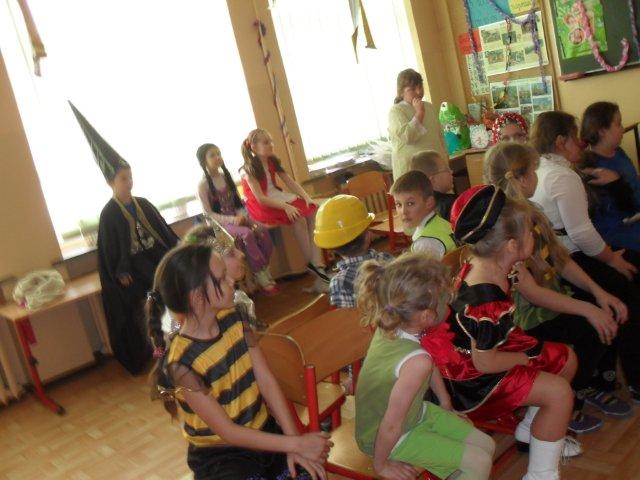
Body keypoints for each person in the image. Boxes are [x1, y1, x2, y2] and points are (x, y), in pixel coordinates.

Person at [424, 185, 582, 479]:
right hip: (473, 381)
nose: (534, 236)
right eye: (530, 233)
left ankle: (533, 430)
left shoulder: (490, 263)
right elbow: (485, 362)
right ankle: (541, 474)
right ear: (510, 245)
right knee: (560, 393)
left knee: (565, 359)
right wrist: (524, 359)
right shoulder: (486, 298)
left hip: (486, 350)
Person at [146, 243, 332, 479]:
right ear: (197, 297)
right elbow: (228, 432)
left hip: (263, 431)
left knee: (309, 473)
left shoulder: (236, 318)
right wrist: (296, 445)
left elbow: (266, 381)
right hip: (222, 456)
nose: (232, 280)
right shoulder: (182, 364)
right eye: (222, 278)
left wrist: (294, 441)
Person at [484, 142, 632, 432]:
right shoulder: (504, 226)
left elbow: (559, 259)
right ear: (523, 178)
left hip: (547, 300)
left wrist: (598, 293)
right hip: (522, 320)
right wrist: (589, 309)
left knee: (606, 307)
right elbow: (532, 294)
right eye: (534, 171)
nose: (537, 177)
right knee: (589, 327)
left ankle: (586, 385)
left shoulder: (532, 211)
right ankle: (565, 401)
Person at [530, 111, 640, 401]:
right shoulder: (561, 175)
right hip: (566, 256)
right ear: (560, 141)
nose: (581, 142)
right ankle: (629, 378)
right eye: (574, 136)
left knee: (624, 274)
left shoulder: (540, 167)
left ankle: (605, 375)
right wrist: (611, 259)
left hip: (557, 255)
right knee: (626, 291)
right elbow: (581, 234)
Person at [355, 252, 495, 480]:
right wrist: (381, 465)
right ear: (427, 316)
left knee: (487, 445)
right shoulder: (416, 362)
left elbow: (428, 365)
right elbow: (391, 425)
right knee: (478, 462)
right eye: (444, 300)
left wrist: (445, 403)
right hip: (387, 437)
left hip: (414, 415)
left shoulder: (393, 323)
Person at [69, 102, 178, 375]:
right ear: (111, 182)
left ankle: (181, 335)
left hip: (154, 258)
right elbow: (110, 251)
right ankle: (158, 344)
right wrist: (121, 270)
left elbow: (162, 231)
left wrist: (176, 249)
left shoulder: (143, 203)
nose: (129, 182)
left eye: (130, 177)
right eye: (123, 179)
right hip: (133, 269)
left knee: (175, 278)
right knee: (146, 301)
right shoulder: (108, 214)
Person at [240, 128, 329, 282]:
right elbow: (261, 198)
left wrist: (307, 198)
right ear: (254, 147)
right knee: (299, 218)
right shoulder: (248, 170)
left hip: (277, 196)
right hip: (262, 205)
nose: (271, 145)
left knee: (313, 210)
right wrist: (286, 207)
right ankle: (313, 264)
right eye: (266, 142)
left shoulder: (272, 161)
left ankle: (316, 263)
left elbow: (290, 182)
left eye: (271, 141)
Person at [196, 143, 277, 295]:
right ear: (203, 161)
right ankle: (260, 274)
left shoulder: (225, 177)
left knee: (262, 228)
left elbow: (238, 203)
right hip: (220, 225)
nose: (217, 157)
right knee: (247, 234)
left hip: (238, 217)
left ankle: (264, 267)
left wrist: (244, 217)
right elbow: (208, 215)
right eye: (212, 155)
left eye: (218, 153)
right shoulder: (203, 185)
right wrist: (233, 220)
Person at [182, 219, 268, 330]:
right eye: (231, 253)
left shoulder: (238, 300)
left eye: (236, 248)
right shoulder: (209, 315)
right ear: (212, 263)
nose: (241, 254)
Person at [313, 194, 392, 309]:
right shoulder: (387, 259)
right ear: (368, 237)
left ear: (331, 247)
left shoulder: (339, 283)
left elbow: (346, 318)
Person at [580, 101, 640, 250]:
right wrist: (617, 183)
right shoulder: (593, 167)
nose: (623, 128)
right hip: (620, 231)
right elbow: (624, 209)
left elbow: (634, 184)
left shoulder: (618, 152)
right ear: (602, 131)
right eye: (618, 124)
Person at [388, 69, 447, 179]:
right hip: (411, 173)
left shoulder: (429, 107)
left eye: (420, 87)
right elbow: (407, 137)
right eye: (413, 89)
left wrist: (445, 162)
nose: (419, 92)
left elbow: (440, 136)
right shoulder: (396, 111)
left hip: (434, 170)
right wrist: (419, 113)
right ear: (401, 92)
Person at [390, 171, 455, 259]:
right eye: (398, 204)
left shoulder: (425, 243)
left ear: (429, 203)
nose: (403, 211)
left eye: (410, 203)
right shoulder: (440, 222)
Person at [409, 150, 457, 221]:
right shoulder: (452, 204)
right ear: (432, 180)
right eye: (446, 169)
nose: (451, 171)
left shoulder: (420, 208)